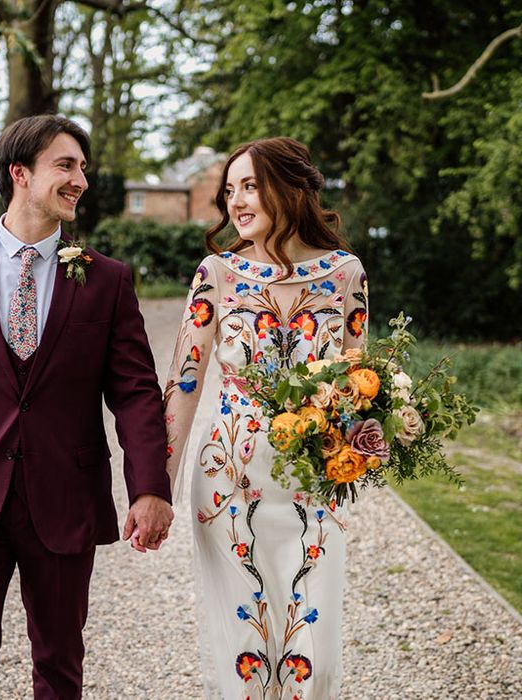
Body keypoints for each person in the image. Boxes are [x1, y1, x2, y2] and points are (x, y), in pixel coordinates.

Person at [0, 114, 173, 699]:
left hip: (64, 494)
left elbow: (135, 392)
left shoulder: (107, 280)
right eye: (66, 166)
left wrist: (150, 487)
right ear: (21, 173)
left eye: (82, 168)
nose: (81, 181)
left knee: (59, 658)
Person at [164, 137, 368, 699]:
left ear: (292, 189)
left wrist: (367, 443)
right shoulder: (217, 274)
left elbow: (358, 385)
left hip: (315, 487)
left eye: (250, 186)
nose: (236, 201)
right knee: (248, 667)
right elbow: (184, 382)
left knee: (313, 663)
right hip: (229, 480)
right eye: (229, 190)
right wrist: (158, 486)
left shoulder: (347, 274)